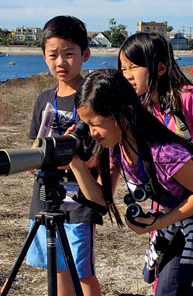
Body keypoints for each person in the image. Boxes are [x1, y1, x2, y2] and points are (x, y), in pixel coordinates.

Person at [70, 69, 193, 295]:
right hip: (176, 227)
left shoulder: (163, 153)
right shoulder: (120, 148)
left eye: (96, 123)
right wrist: (76, 163)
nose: (92, 133)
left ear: (124, 115)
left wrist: (161, 221)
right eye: (86, 125)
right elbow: (99, 200)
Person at [25, 15, 105, 296]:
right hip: (46, 197)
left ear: (85, 54)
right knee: (57, 267)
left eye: (69, 54)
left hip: (79, 201)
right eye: (53, 55)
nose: (61, 62)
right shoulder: (43, 99)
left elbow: (101, 149)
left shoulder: (92, 98)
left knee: (82, 271)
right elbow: (34, 145)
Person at [118, 32, 193, 294]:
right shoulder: (141, 111)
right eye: (122, 68)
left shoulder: (187, 100)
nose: (126, 74)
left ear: (160, 68)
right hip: (169, 221)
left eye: (133, 67)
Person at [118, 32, 193, 139]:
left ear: (160, 69)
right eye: (124, 69)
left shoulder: (186, 98)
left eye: (134, 67)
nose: (127, 76)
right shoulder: (139, 106)